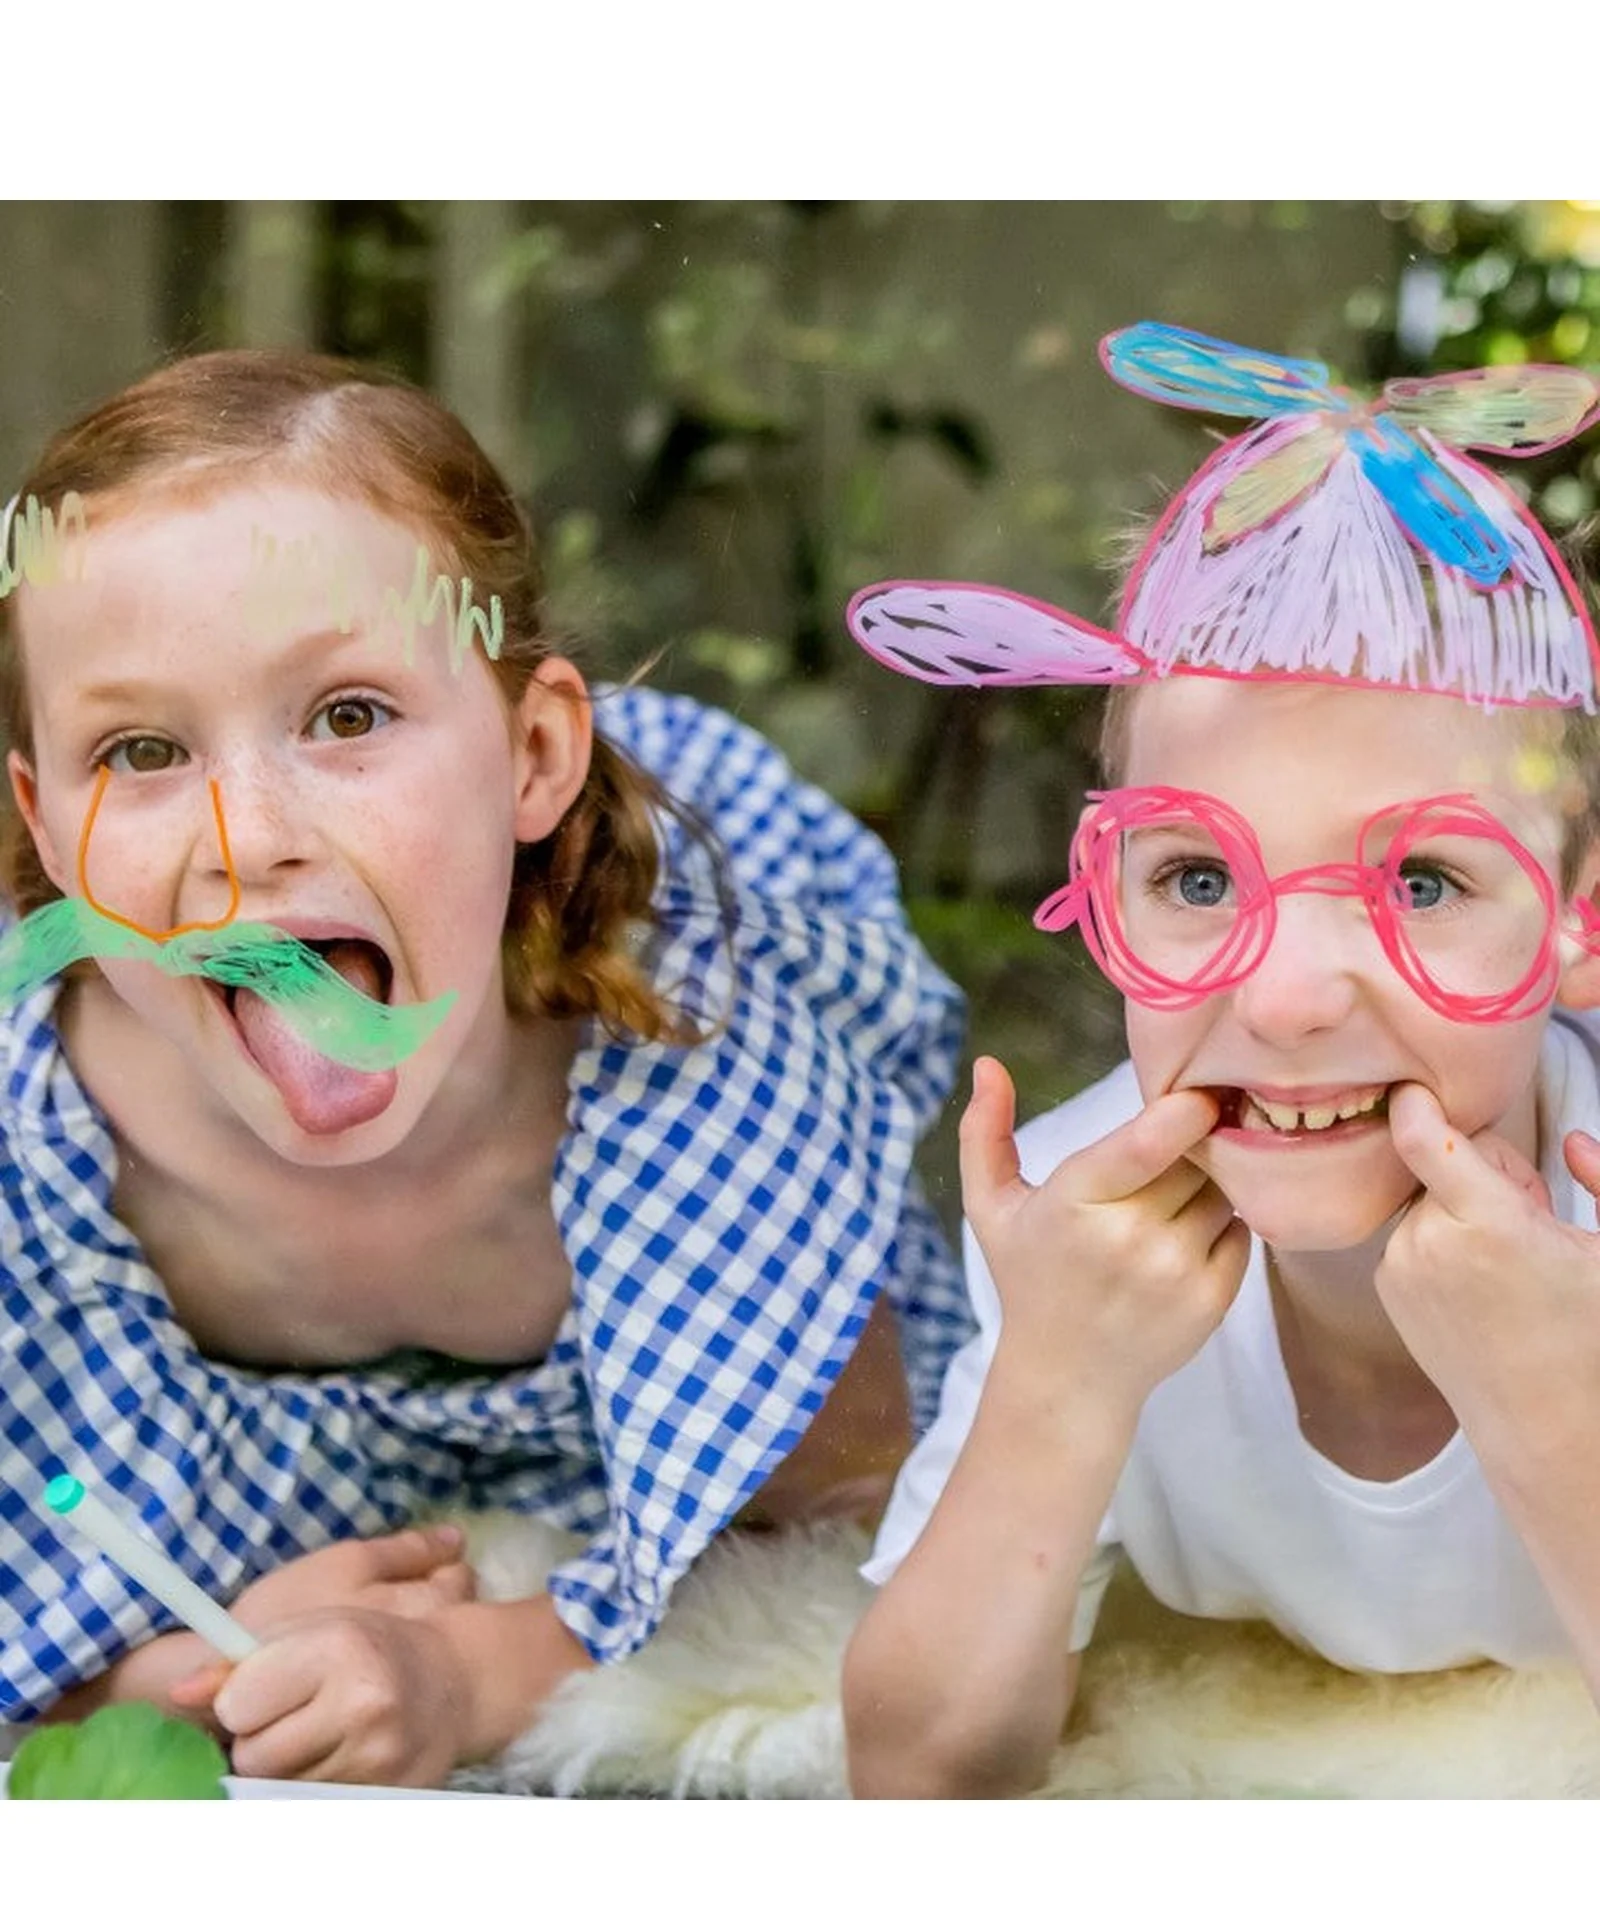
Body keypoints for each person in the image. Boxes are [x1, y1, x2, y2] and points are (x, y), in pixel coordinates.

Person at [0, 349, 973, 1788]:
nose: (243, 839)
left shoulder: (694, 1097)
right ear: (44, 823)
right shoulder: (31, 1181)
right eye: (140, 749)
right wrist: (179, 1682)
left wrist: (478, 1671)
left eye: (347, 715)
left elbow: (879, 1537)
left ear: (532, 756)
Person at [839, 321, 1600, 1797]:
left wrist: (1562, 1414)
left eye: (1423, 882)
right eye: (1197, 879)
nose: (1289, 997)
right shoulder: (1083, 1238)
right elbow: (917, 1776)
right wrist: (1060, 1381)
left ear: (1575, 922)